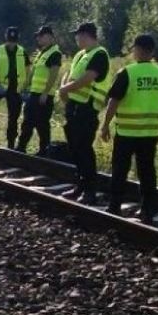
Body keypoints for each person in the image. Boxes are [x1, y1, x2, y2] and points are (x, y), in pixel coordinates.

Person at [100, 34, 158, 222]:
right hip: (150, 132)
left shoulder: (127, 73)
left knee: (120, 169)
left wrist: (105, 125)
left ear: (137, 50)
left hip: (127, 132)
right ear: (153, 51)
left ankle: (114, 206)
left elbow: (114, 101)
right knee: (147, 171)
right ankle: (148, 209)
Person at [58, 22, 113, 204]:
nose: (76, 38)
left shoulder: (99, 54)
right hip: (74, 107)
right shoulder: (81, 55)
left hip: (87, 108)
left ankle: (90, 190)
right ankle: (80, 184)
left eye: (78, 35)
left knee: (83, 149)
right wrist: (64, 91)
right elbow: (71, 76)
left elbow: (88, 78)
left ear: (86, 35)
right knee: (74, 148)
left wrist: (65, 89)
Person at [16, 25, 63, 155]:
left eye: (41, 36)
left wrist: (45, 93)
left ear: (49, 37)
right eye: (38, 36)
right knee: (28, 121)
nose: (38, 39)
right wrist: (24, 86)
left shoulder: (55, 53)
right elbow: (33, 73)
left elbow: (54, 74)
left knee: (42, 124)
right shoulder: (42, 53)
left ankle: (44, 150)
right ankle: (21, 147)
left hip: (44, 96)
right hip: (34, 94)